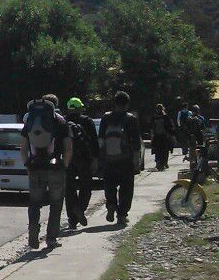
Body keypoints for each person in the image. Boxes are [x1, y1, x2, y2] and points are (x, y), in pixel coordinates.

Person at [20, 93, 72, 249]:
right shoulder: (61, 122)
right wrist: (65, 166)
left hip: (35, 167)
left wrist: (27, 164)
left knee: (34, 203)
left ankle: (33, 231)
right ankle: (51, 239)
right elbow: (68, 148)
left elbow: (23, 147)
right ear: (55, 106)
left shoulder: (30, 121)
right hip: (55, 167)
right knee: (56, 204)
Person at [99, 91, 142, 225]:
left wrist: (102, 157)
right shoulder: (131, 119)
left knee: (109, 185)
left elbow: (101, 139)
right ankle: (122, 214)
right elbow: (136, 143)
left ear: (115, 103)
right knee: (126, 188)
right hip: (125, 160)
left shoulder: (106, 118)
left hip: (109, 159)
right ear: (127, 104)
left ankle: (111, 205)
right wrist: (136, 161)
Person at [64, 97, 98, 230]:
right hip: (84, 158)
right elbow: (94, 141)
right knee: (86, 187)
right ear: (80, 108)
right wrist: (96, 158)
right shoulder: (87, 121)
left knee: (69, 189)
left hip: (68, 159)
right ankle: (80, 208)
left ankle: (72, 220)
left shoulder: (63, 121)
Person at [148, 103, 176, 170]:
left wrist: (152, 136)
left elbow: (151, 127)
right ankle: (164, 163)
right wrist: (171, 135)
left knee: (157, 150)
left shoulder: (154, 117)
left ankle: (158, 162)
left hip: (157, 136)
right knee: (165, 150)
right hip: (164, 136)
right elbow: (170, 127)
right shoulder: (165, 117)